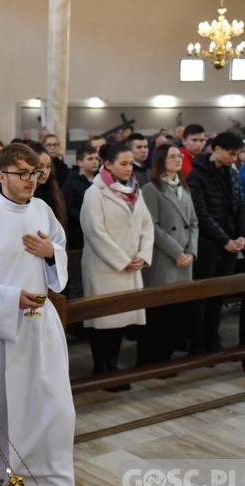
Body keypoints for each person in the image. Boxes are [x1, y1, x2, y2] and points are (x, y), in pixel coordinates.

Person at [0, 143, 75, 486]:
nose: (31, 180)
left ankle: (50, 478)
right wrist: (9, 299)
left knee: (51, 405)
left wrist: (51, 253)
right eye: (22, 173)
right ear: (1, 177)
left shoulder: (42, 210)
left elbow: (59, 249)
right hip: (0, 329)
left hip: (40, 325)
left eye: (36, 173)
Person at [80, 144, 154, 389]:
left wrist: (142, 255)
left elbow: (146, 225)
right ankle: (102, 368)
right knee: (104, 320)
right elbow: (95, 232)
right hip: (106, 266)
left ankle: (113, 366)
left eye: (130, 163)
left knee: (122, 319)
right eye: (123, 163)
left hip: (131, 265)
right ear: (108, 164)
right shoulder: (95, 192)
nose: (128, 168)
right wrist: (122, 260)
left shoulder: (135, 190)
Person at [139, 144, 198, 365]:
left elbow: (193, 223)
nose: (178, 159)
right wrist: (177, 252)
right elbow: (152, 226)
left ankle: (168, 358)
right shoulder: (151, 189)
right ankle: (151, 359)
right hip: (165, 258)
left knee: (177, 313)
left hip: (185, 259)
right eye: (172, 156)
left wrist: (191, 251)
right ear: (161, 160)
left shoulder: (184, 187)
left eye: (179, 156)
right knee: (159, 313)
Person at [187, 132, 245, 353]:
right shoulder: (196, 175)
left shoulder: (231, 173)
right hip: (208, 244)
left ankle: (213, 339)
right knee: (202, 297)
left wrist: (241, 235)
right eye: (231, 154)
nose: (234, 158)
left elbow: (240, 206)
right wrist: (224, 240)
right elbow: (201, 214)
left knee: (219, 296)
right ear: (217, 149)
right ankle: (198, 343)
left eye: (237, 154)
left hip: (231, 243)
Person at [62, 144, 100, 250]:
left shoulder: (101, 181)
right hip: (79, 233)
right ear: (80, 162)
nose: (95, 161)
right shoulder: (71, 183)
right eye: (90, 159)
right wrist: (85, 217)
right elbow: (67, 208)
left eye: (96, 158)